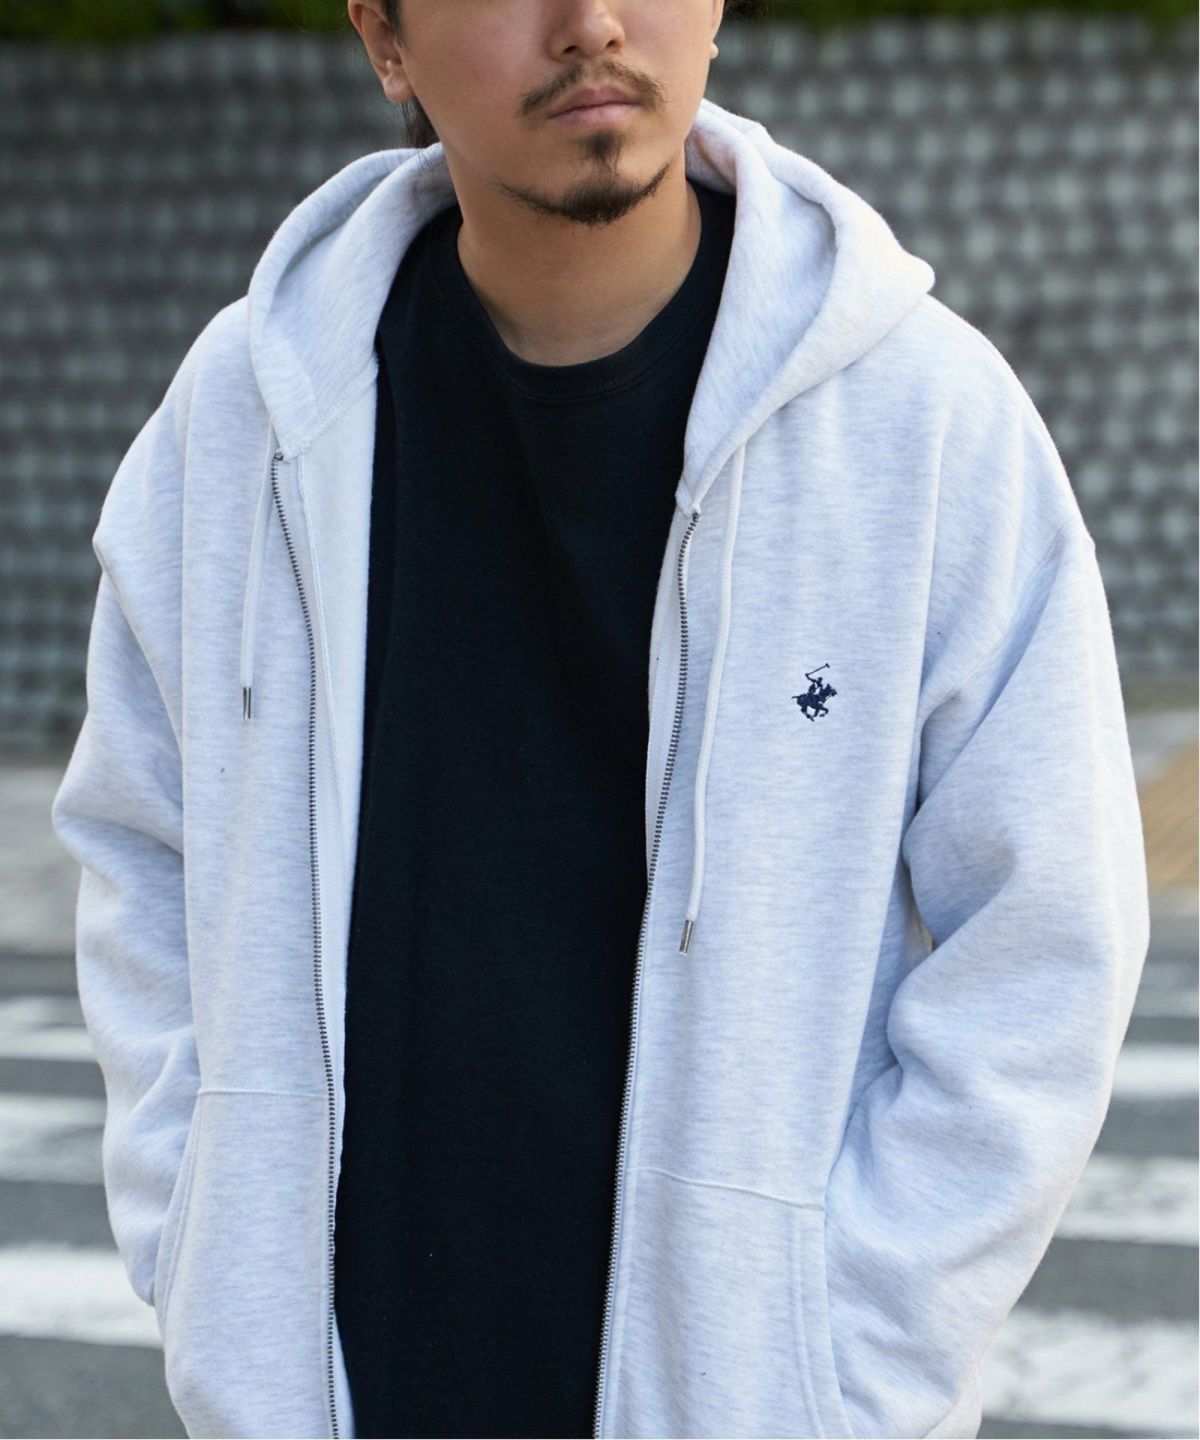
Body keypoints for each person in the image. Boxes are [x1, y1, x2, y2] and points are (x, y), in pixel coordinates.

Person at [50, 0, 1151, 1436]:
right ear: (385, 38)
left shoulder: (922, 425)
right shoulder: (241, 422)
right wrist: (206, 1251)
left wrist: (840, 1357)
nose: (591, 24)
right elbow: (140, 854)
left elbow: (1046, 937)